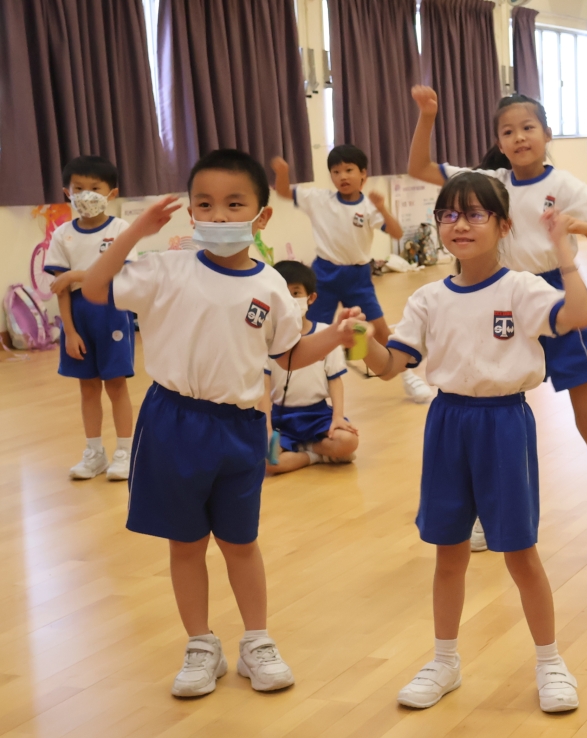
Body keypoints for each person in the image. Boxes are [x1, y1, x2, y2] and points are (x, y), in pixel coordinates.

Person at [80, 149, 365, 698]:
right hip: (172, 422)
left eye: (235, 204)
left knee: (241, 542)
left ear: (261, 216)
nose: (218, 215)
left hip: (239, 427)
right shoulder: (165, 269)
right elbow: (94, 288)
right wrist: (136, 230)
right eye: (205, 204)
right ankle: (200, 644)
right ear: (190, 212)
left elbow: (286, 355)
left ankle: (256, 641)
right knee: (185, 543)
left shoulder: (272, 287)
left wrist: (333, 337)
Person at [361, 171, 587, 712]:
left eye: (474, 214)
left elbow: (578, 315)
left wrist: (564, 252)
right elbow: (390, 366)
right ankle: (444, 661)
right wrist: (356, 342)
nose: (460, 225)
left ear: (503, 225)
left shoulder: (522, 288)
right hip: (448, 423)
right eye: (449, 215)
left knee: (520, 554)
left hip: (504, 424)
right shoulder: (427, 299)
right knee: (449, 552)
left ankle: (550, 662)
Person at [407, 86, 587, 565]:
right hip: (502, 297)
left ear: (547, 134)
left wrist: (583, 231)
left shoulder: (567, 186)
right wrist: (427, 115)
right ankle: (482, 514)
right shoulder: (490, 182)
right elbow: (419, 168)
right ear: (499, 142)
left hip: (555, 297)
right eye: (508, 131)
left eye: (528, 127)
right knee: (491, 408)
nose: (519, 137)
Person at [268, 147, 421, 401]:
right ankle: (305, 389)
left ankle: (409, 377)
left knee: (380, 331)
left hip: (357, 278)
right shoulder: (319, 199)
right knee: (310, 332)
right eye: (336, 171)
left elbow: (396, 232)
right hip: (324, 275)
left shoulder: (369, 207)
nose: (343, 176)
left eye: (349, 170)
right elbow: (283, 191)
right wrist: (283, 173)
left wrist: (382, 208)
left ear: (363, 174)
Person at [44, 155, 136, 481]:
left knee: (116, 385)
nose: (86, 195)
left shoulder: (121, 229)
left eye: (95, 188)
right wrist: (69, 331)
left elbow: (120, 273)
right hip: (79, 317)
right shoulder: (62, 235)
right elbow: (61, 289)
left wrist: (76, 275)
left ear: (112, 193)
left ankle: (125, 451)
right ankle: (94, 453)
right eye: (78, 188)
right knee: (88, 388)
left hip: (113, 314)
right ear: (66, 192)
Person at [262, 260, 359, 475]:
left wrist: (338, 417)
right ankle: (317, 455)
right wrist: (267, 429)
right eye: (284, 293)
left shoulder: (326, 333)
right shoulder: (268, 339)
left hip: (317, 415)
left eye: (296, 293)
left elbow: (335, 380)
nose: (290, 299)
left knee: (349, 441)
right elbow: (264, 389)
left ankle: (303, 448)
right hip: (281, 418)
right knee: (267, 460)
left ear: (311, 297)